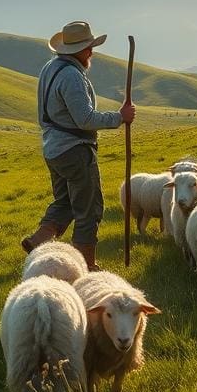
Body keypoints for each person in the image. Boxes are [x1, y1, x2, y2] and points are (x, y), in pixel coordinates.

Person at [21, 20, 136, 270]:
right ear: (78, 51)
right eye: (88, 48)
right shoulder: (72, 76)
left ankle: (37, 241)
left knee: (65, 203)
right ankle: (86, 265)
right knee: (89, 208)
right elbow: (84, 119)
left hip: (53, 149)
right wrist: (120, 117)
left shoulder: (51, 67)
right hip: (74, 150)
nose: (92, 52)